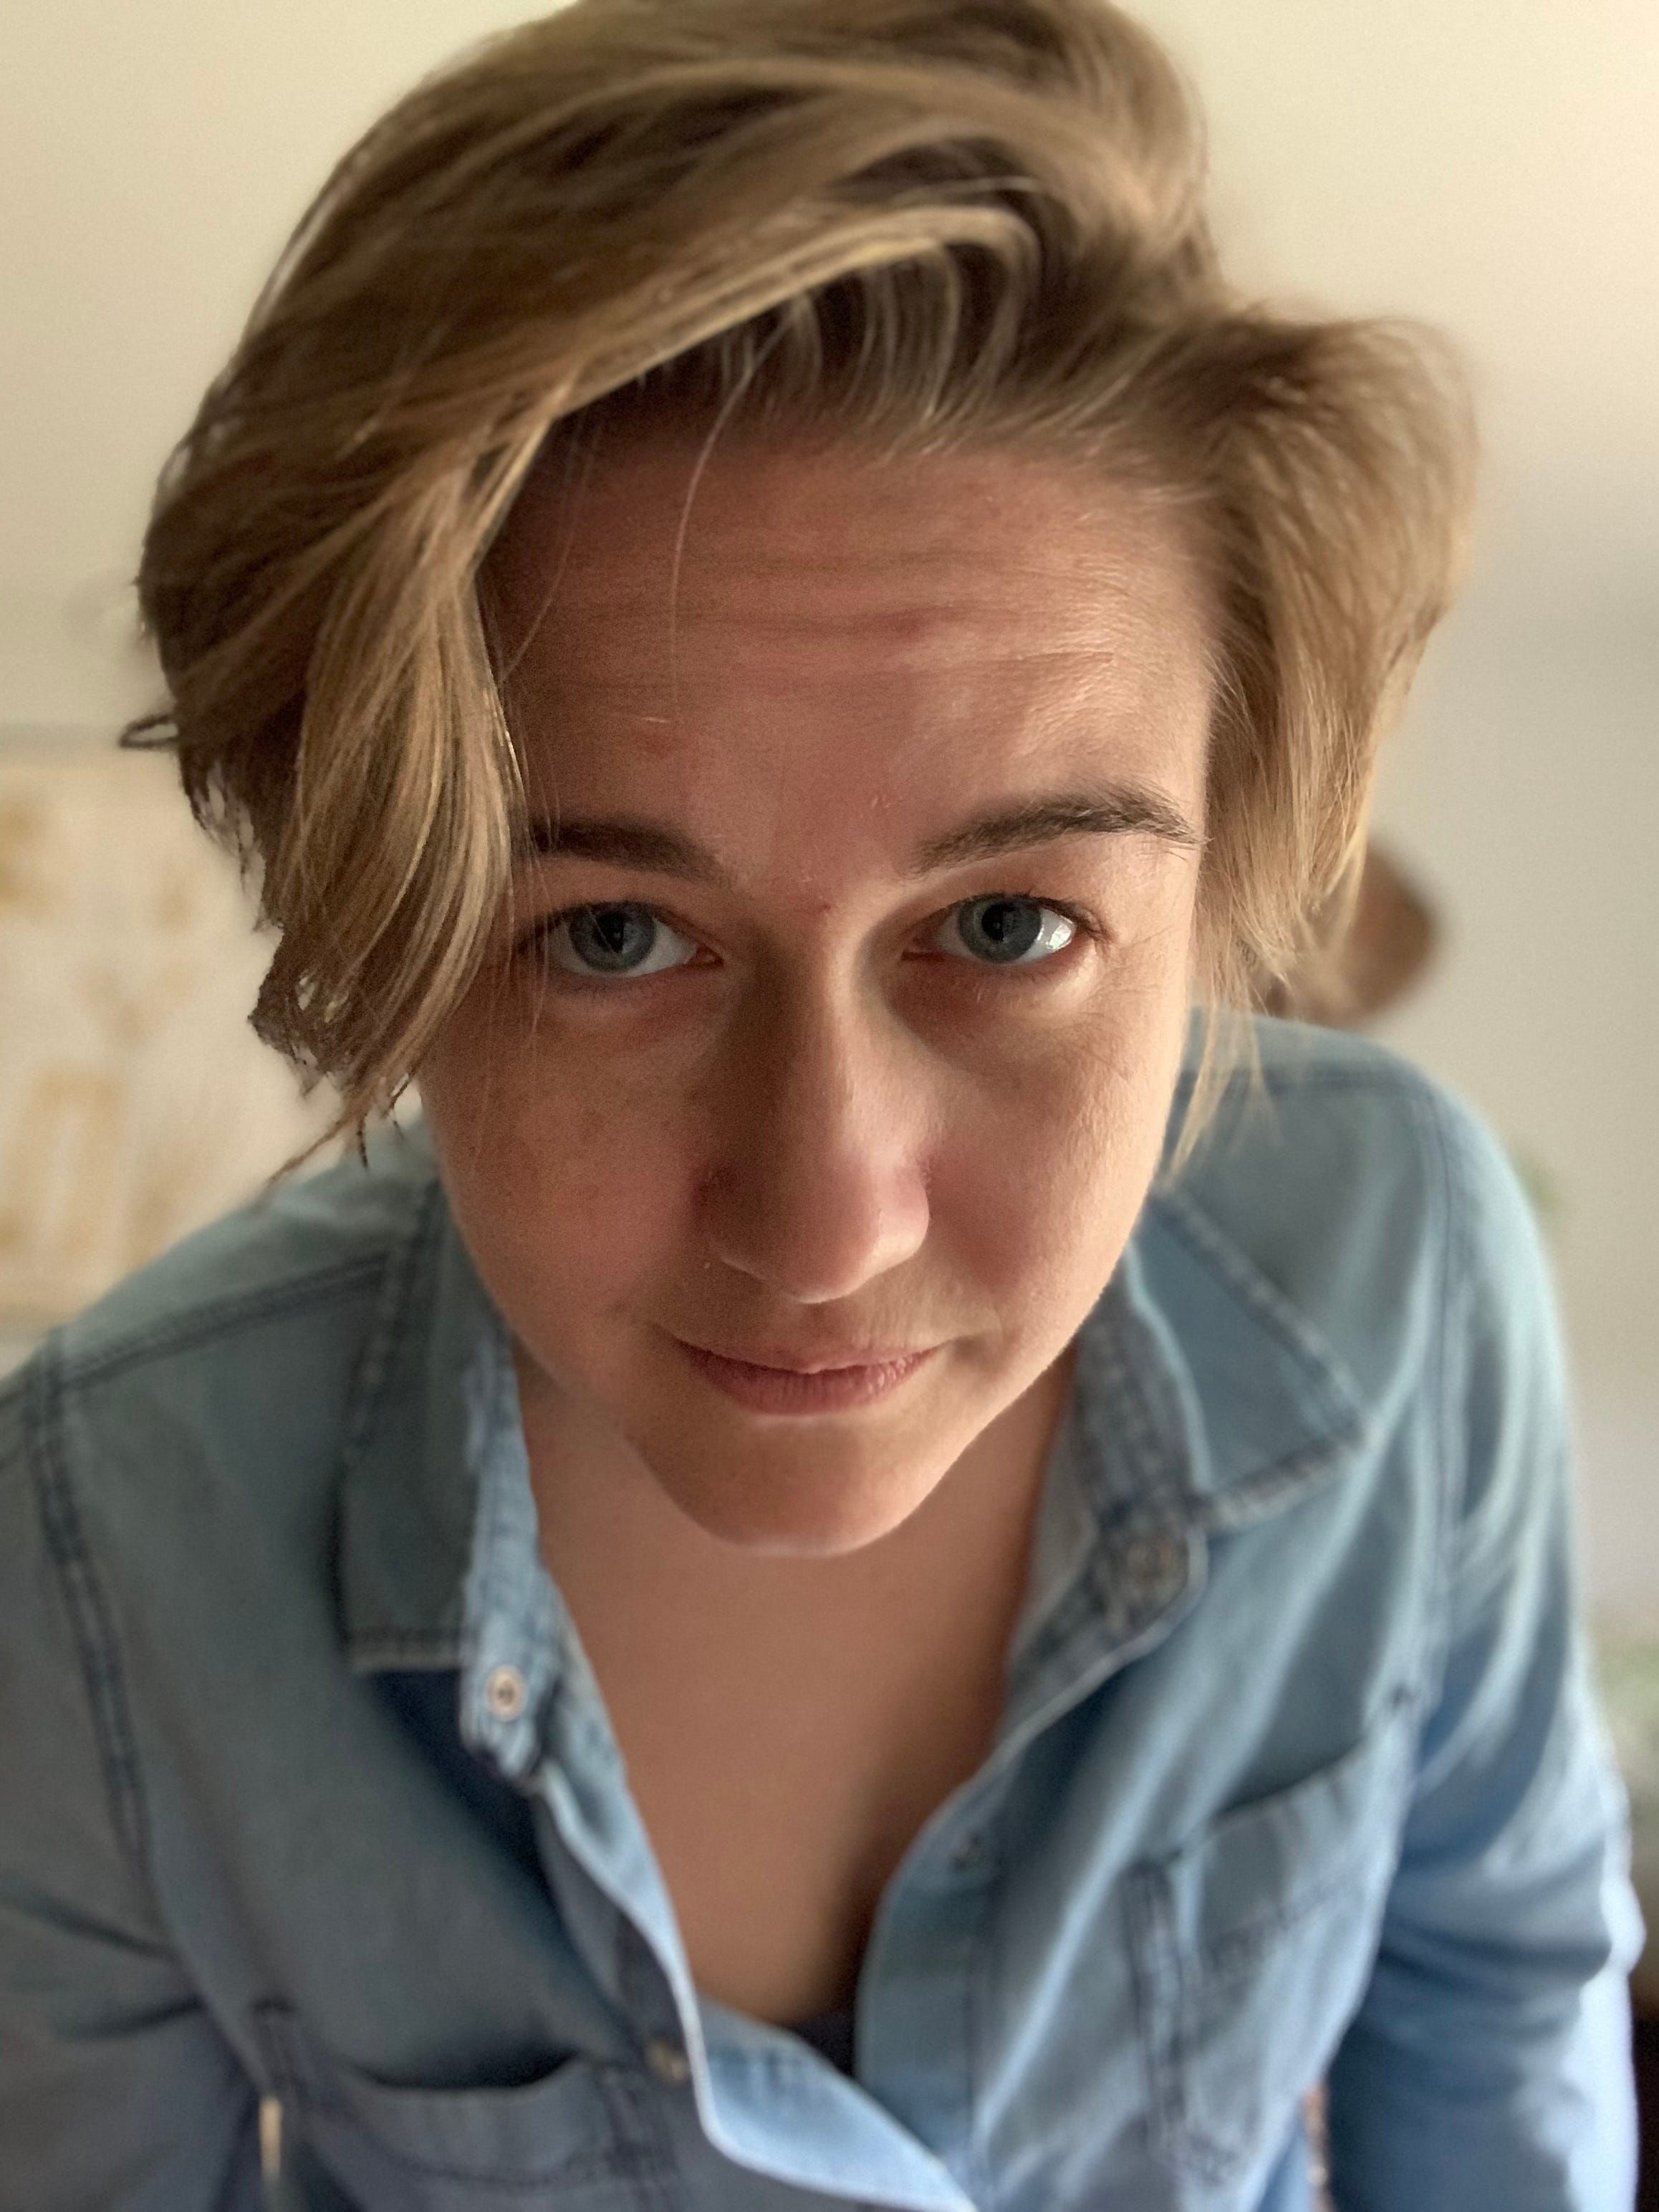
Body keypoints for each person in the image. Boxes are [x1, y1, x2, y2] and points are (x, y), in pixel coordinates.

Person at [0, 1, 1642, 2205]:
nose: (825, 1222)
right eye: (608, 935)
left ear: (1216, 890)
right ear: (389, 932)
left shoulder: (1395, 1273)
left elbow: (1496, 2012)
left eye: (1006, 927)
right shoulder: (105, 1542)